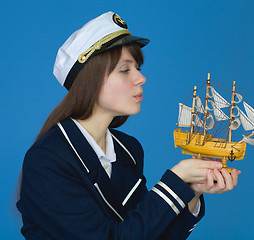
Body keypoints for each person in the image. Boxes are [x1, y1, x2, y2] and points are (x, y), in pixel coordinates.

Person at [16, 11, 240, 240]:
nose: (141, 78)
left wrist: (191, 191)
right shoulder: (47, 160)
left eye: (138, 68)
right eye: (125, 70)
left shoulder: (128, 150)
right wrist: (175, 180)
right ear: (89, 81)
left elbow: (148, 233)